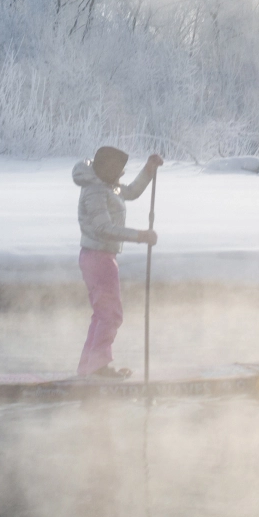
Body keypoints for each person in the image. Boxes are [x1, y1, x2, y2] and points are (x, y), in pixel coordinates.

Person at [71, 146, 162, 378]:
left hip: (100, 257)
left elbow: (130, 192)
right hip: (98, 258)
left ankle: (88, 368)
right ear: (108, 169)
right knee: (111, 315)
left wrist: (148, 170)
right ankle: (97, 369)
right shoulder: (95, 191)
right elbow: (103, 228)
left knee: (102, 314)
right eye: (118, 171)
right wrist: (140, 236)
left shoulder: (106, 184)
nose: (121, 176)